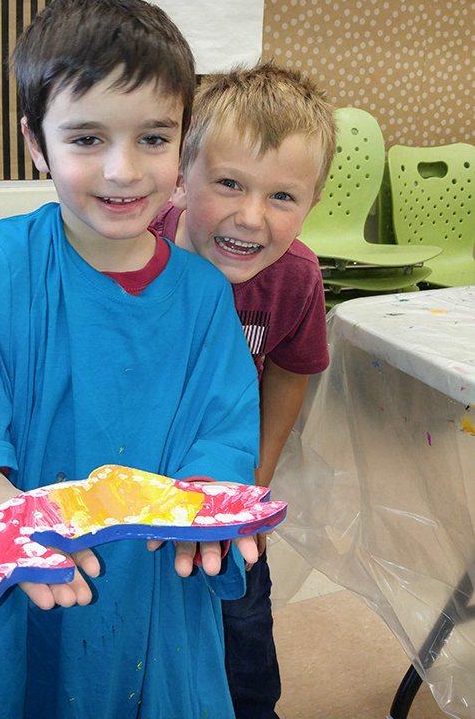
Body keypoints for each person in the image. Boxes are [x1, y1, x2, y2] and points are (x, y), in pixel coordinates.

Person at [0, 0, 263, 719]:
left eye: (153, 137)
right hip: (30, 578)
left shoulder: (205, 295)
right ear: (35, 142)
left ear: (183, 140)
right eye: (86, 139)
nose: (123, 171)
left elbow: (224, 425)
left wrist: (206, 495)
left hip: (157, 586)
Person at [150, 60, 336, 718]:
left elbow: (291, 367)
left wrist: (256, 475)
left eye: (283, 196)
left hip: (225, 493)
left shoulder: (296, 277)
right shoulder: (131, 252)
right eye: (229, 183)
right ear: (179, 178)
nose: (251, 217)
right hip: (133, 487)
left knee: (242, 636)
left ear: (314, 202)